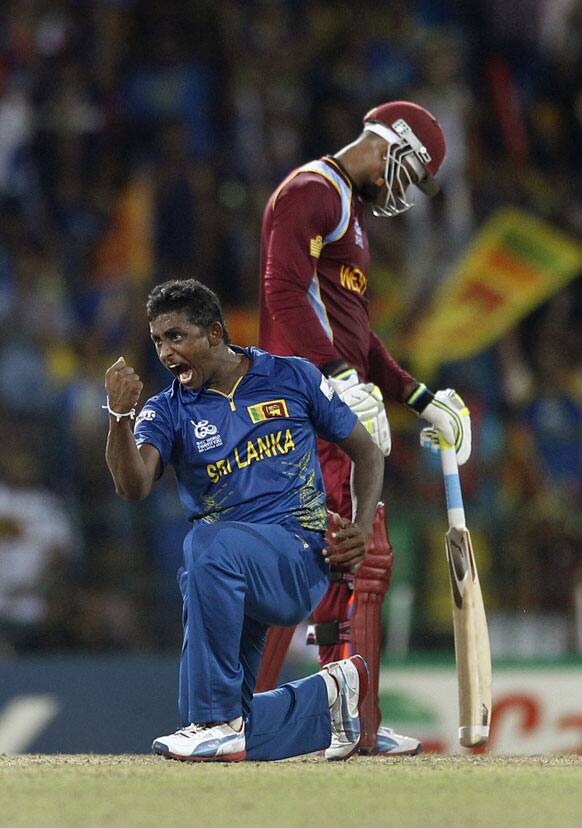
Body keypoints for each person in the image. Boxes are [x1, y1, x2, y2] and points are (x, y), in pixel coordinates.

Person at [258, 100, 472, 754]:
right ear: (391, 147)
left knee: (328, 564)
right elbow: (281, 290)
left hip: (328, 405)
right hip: (312, 408)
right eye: (412, 172)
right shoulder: (311, 193)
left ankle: (323, 719)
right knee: (361, 558)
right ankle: (352, 725)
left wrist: (418, 395)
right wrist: (337, 378)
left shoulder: (345, 212)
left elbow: (359, 335)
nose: (407, 190)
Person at [104, 278, 386, 762]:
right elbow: (133, 488)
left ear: (215, 333)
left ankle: (214, 721)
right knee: (241, 735)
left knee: (204, 546)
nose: (166, 352)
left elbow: (366, 450)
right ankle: (332, 696)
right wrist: (118, 416)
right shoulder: (167, 410)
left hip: (296, 554)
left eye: (176, 336)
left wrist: (360, 526)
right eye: (157, 341)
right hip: (228, 577)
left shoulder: (292, 376)